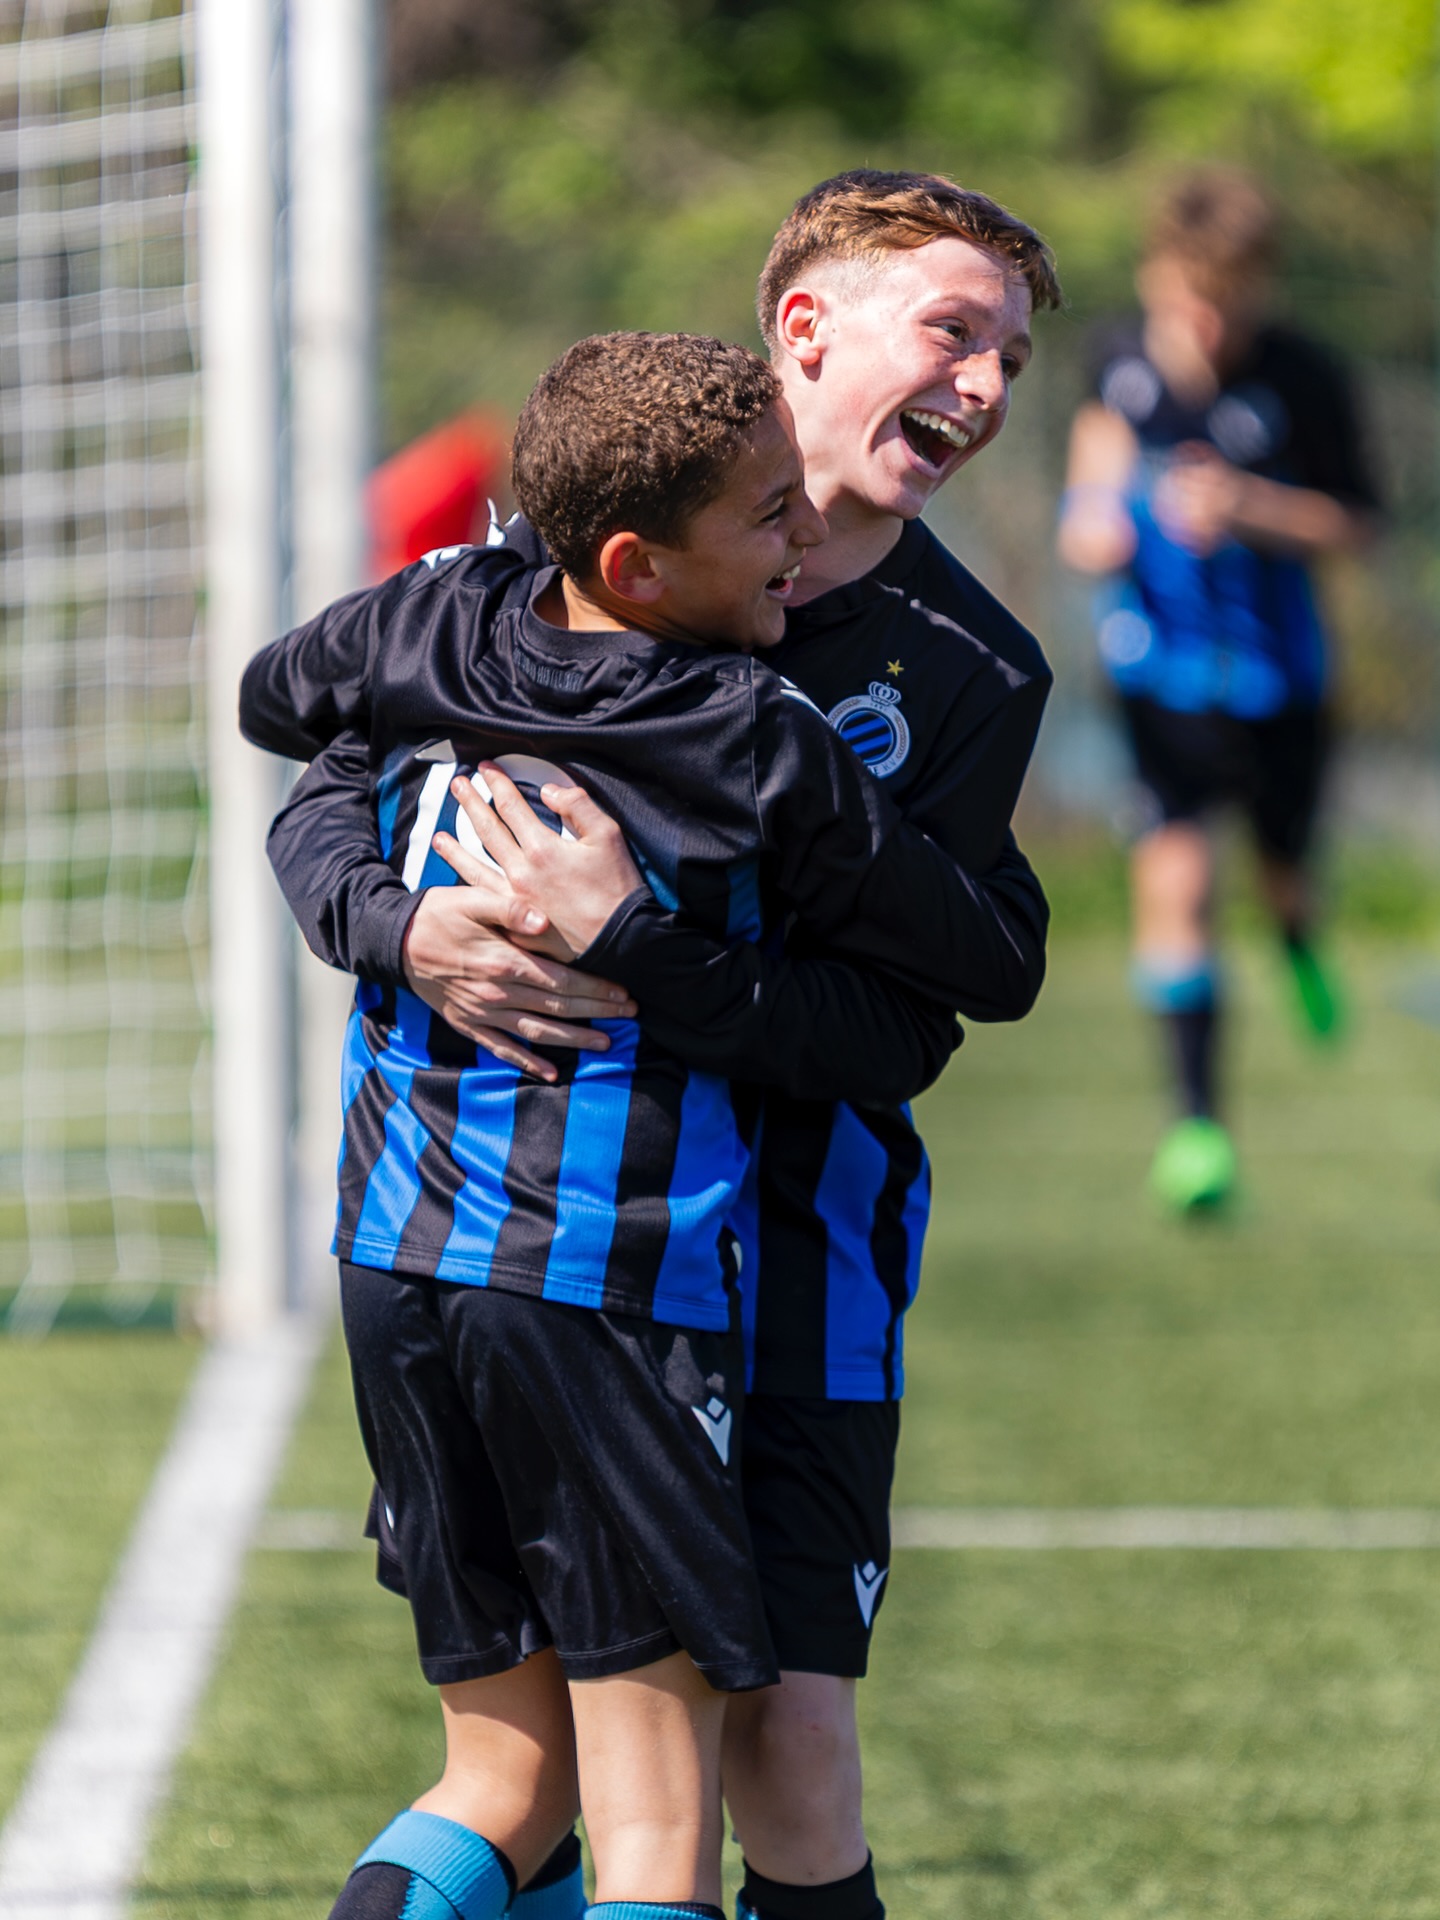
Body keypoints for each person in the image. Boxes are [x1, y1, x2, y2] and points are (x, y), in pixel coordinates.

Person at [244, 171, 1061, 1920]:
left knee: (773, 1762)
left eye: (1011, 355)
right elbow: (321, 790)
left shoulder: (968, 672)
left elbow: (934, 1007)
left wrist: (645, 955)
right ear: (802, 331)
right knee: (581, 1782)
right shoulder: (527, 571)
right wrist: (404, 927)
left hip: (783, 1259)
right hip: (576, 1259)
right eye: (953, 334)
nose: (989, 388)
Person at [1058, 168, 1379, 1212]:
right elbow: (1092, 479)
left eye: (1230, 296)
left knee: (1283, 871)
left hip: (1282, 678)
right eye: (1190, 295)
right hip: (1161, 674)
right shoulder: (1119, 360)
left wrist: (1249, 508)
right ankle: (1198, 1131)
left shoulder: (1304, 378)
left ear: (1261, 285)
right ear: (1160, 276)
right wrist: (1096, 523)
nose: (1207, 318)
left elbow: (1353, 524)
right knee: (1181, 878)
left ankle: (1297, 937)